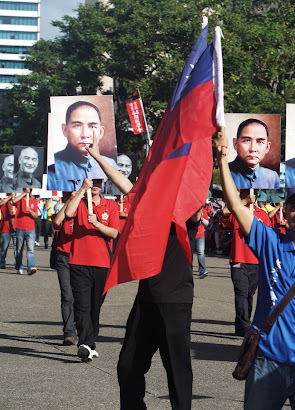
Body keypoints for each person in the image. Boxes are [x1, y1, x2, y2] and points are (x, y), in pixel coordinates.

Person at [216, 129, 295, 409]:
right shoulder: (269, 242)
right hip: (266, 360)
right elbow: (235, 205)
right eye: (294, 207)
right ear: (285, 213)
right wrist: (223, 159)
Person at [85, 133, 199, 409]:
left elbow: (195, 202)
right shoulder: (148, 206)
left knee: (177, 374)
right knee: (128, 366)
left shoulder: (186, 211)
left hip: (174, 301)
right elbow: (125, 184)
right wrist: (99, 156)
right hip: (146, 299)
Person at [65, 178, 119, 362]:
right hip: (79, 262)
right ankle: (85, 345)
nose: (95, 185)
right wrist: (82, 189)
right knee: (82, 305)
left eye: (98, 182)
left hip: (103, 263)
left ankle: (90, 341)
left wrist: (96, 223)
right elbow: (68, 212)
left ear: (102, 185)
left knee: (95, 306)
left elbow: (114, 233)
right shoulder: (79, 201)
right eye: (92, 182)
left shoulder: (110, 205)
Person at [222, 191, 272, 336]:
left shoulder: (262, 214)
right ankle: (245, 325)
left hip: (256, 261)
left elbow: (269, 236)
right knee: (241, 293)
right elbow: (224, 212)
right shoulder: (237, 210)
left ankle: (241, 326)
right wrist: (243, 202)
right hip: (239, 259)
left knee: (249, 294)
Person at [47, 101, 118, 190]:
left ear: (101, 132)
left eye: (92, 126)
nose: (85, 134)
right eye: (77, 125)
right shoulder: (52, 170)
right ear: (65, 130)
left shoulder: (110, 164)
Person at [51, 192, 77, 346]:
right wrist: (69, 202)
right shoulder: (62, 212)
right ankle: (69, 332)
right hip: (64, 258)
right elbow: (56, 222)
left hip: (82, 257)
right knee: (67, 295)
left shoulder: (85, 209)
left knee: (83, 297)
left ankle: (84, 328)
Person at [229, 119, 280, 189]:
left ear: (267, 147)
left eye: (260, 142)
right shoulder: (223, 172)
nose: (253, 149)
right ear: (235, 144)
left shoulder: (272, 177)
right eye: (247, 140)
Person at [11, 188, 37, 275]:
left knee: (30, 249)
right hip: (20, 227)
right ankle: (19, 266)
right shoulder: (20, 200)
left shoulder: (34, 201)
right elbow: (13, 201)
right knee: (19, 249)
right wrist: (24, 193)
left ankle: (31, 267)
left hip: (30, 229)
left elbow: (35, 215)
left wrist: (29, 210)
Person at [0, 193, 16, 269]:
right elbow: (1, 204)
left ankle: (17, 263)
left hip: (16, 228)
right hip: (5, 228)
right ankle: (2, 262)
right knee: (4, 247)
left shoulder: (17, 202)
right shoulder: (5, 202)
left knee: (17, 247)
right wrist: (9, 197)